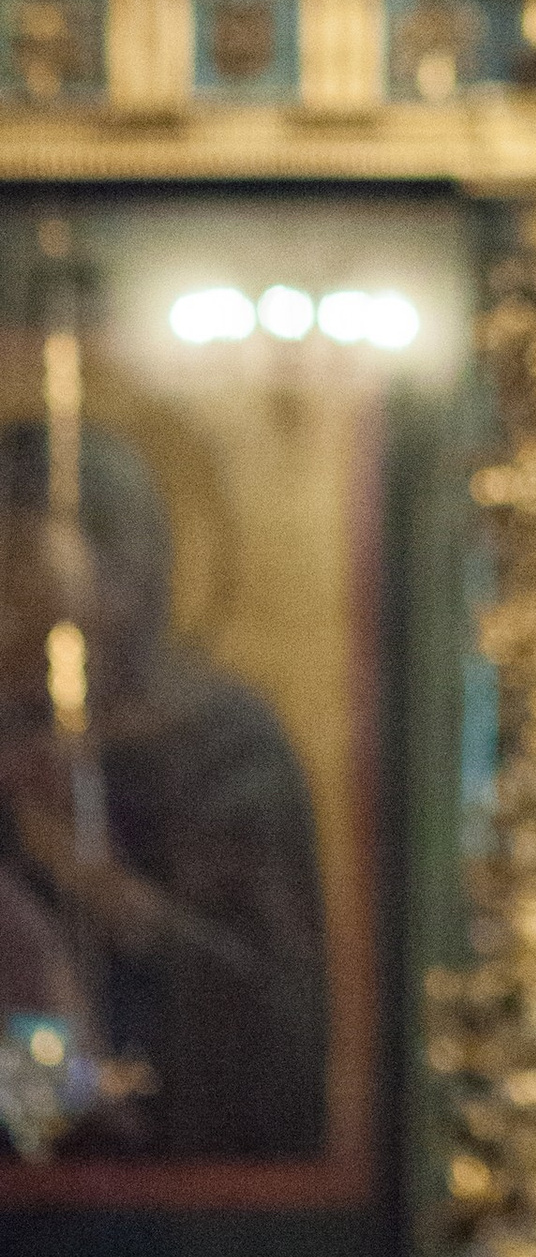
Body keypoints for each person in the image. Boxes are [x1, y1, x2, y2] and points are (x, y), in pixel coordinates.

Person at [0, 421, 328, 1159]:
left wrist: (107, 891)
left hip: (178, 1165)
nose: (8, 591)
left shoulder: (225, 745)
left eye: (20, 554)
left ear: (124, 571)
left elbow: (278, 1016)